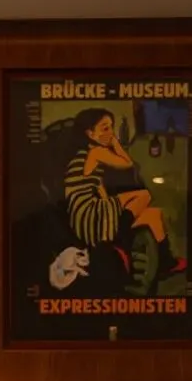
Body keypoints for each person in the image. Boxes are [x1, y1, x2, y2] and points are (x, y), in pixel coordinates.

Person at [60, 108, 184, 283]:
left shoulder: (85, 156)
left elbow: (99, 188)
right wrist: (115, 142)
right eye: (105, 128)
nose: (110, 133)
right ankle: (120, 238)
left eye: (111, 127)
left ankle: (166, 263)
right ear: (90, 133)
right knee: (144, 195)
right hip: (88, 215)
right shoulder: (95, 152)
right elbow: (127, 163)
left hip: (89, 215)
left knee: (153, 215)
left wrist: (112, 213)